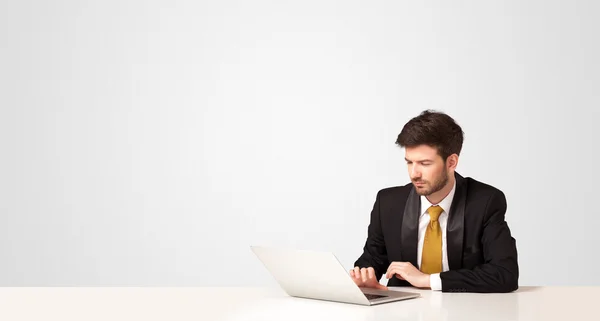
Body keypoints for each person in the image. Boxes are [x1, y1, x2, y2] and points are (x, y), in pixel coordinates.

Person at [350, 110, 518, 293]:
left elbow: (504, 274)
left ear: (451, 162)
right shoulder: (388, 203)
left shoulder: (485, 202)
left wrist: (427, 280)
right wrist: (364, 278)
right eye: (409, 162)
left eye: (425, 163)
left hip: (465, 311)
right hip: (402, 312)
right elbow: (372, 259)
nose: (414, 173)